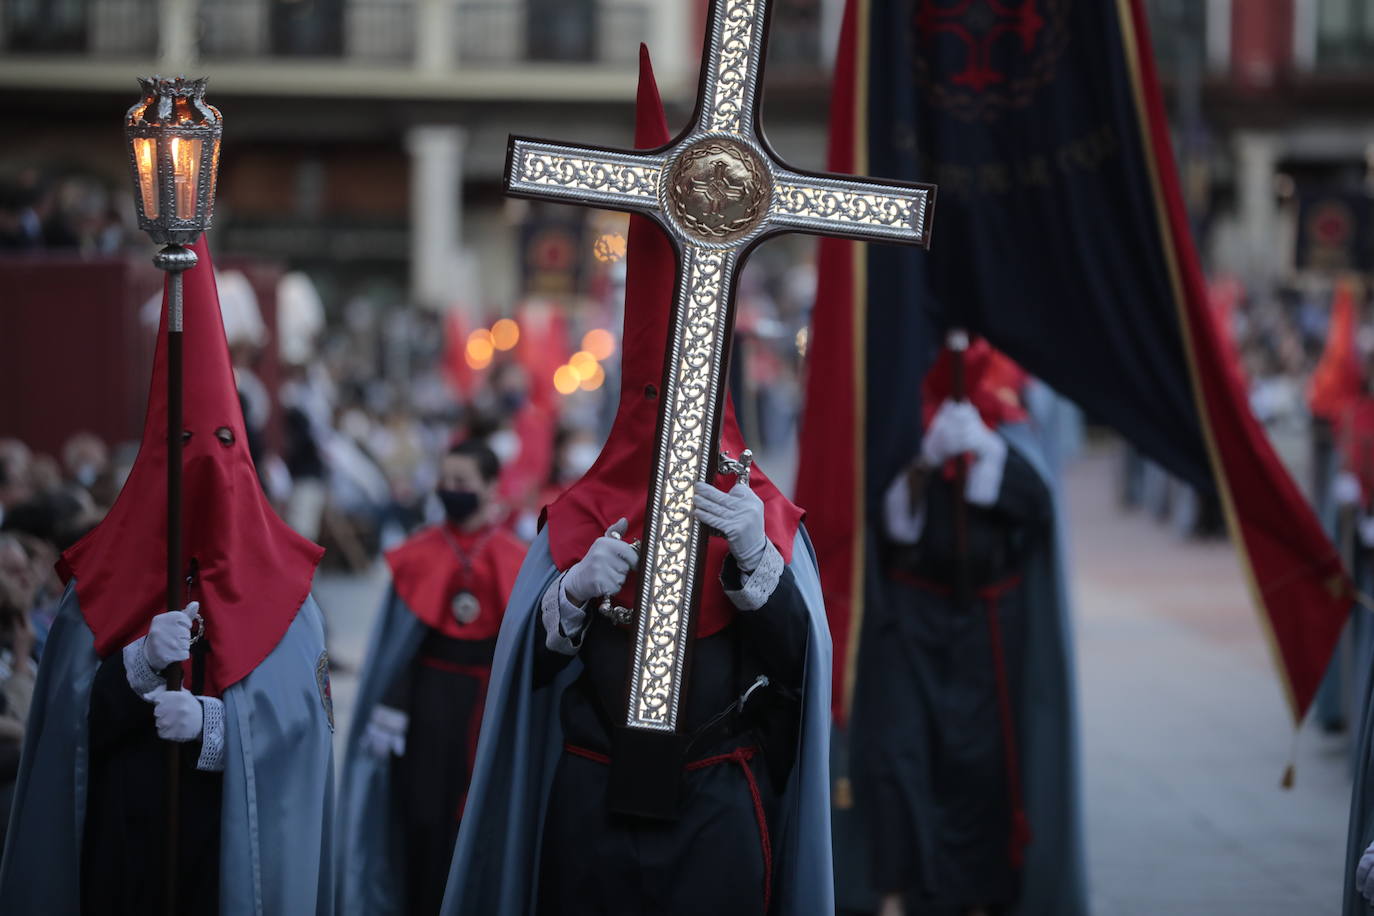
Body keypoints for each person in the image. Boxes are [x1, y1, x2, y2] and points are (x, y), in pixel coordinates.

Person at [439, 47, 833, 916]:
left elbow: (803, 676)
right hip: (593, 798)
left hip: (716, 801)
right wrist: (570, 599)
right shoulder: (577, 516)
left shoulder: (761, 513)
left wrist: (757, 565)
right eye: (656, 395)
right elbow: (525, 682)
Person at [0, 239, 336, 915]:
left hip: (225, 859)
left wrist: (218, 726)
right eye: (184, 449)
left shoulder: (289, 598)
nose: (203, 473)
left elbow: (304, 738)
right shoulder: (93, 592)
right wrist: (135, 670)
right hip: (123, 853)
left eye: (219, 448)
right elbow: (63, 733)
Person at [843, 338, 1081, 916]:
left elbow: (1036, 505)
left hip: (988, 625)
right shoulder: (901, 415)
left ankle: (976, 895)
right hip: (911, 617)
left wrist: (988, 455)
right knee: (900, 758)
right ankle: (898, 894)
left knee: (981, 767)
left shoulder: (1007, 415)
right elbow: (887, 524)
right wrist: (926, 459)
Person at [338, 439, 528, 915]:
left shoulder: (515, 556)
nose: (451, 490)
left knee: (477, 819)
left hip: (484, 707)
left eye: (463, 482)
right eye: (445, 480)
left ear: (489, 487)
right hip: (423, 709)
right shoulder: (419, 553)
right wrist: (391, 703)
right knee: (420, 820)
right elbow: (396, 647)